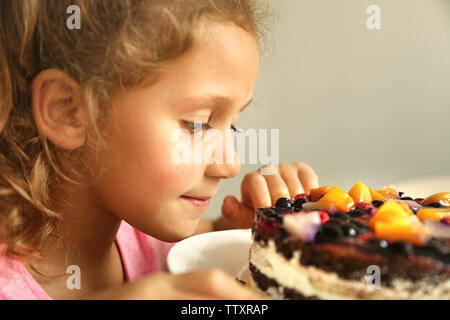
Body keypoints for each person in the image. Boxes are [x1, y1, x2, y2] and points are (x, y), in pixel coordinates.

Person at [0, 0, 319, 299]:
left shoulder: (140, 238)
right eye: (198, 124)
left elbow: (202, 251)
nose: (230, 165)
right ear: (68, 111)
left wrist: (246, 226)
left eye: (232, 126)